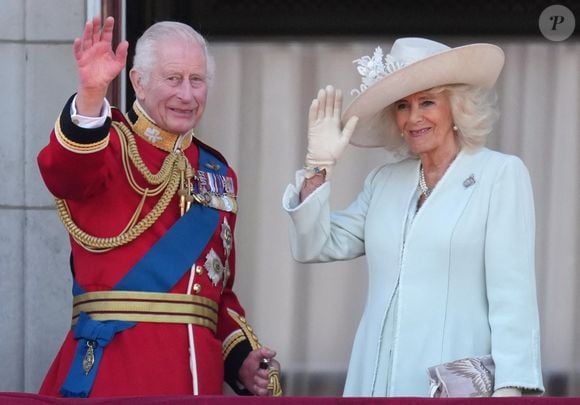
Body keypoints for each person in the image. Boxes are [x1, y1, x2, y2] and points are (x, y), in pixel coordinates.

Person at [282, 37, 544, 397]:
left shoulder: (499, 174)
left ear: (456, 107)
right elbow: (318, 243)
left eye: (427, 102)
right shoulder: (385, 181)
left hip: (454, 384)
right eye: (403, 106)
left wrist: (510, 389)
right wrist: (318, 167)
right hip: (375, 380)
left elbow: (513, 296)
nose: (414, 117)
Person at [37, 16, 281, 398]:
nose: (187, 94)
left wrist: (242, 361)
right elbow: (64, 172)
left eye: (196, 80)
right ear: (138, 82)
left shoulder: (217, 172)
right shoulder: (109, 146)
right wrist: (89, 96)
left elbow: (216, 293)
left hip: (198, 382)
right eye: (173, 78)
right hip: (116, 373)